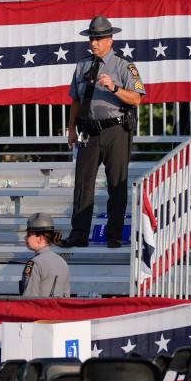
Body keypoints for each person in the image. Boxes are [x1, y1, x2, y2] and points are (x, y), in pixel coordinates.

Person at [60, 15, 145, 249]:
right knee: (82, 183)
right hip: (89, 131)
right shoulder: (82, 65)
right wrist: (71, 129)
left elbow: (136, 99)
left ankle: (114, 235)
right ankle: (79, 234)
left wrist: (115, 87)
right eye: (91, 39)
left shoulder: (124, 66)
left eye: (98, 38)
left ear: (110, 40)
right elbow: (75, 100)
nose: (93, 43)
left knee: (116, 184)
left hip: (116, 129)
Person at [20, 213, 70, 297]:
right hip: (58, 310)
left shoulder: (34, 263)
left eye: (29, 234)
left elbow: (29, 299)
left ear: (40, 238)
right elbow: (66, 296)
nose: (25, 237)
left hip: (40, 309)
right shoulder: (62, 262)